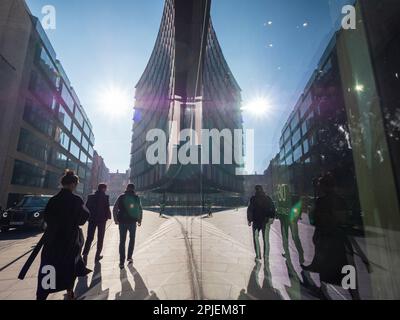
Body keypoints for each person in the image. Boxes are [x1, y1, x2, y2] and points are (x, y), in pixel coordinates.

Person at [19, 171, 91, 300]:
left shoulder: (53, 200)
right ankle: (70, 292)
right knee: (69, 266)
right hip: (69, 239)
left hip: (52, 240)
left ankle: (42, 296)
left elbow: (46, 217)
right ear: (73, 184)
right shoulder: (76, 200)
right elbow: (83, 218)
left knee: (49, 267)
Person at [303, 173, 358, 298]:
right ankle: (355, 295)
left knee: (326, 268)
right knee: (345, 271)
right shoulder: (340, 200)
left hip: (326, 241)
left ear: (324, 186)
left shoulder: (321, 201)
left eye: (320, 185)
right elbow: (343, 222)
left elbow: (314, 221)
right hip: (338, 241)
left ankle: (323, 290)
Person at [113, 184, 143, 269]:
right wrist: (140, 219)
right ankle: (129, 257)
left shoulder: (121, 197)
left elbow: (115, 209)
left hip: (122, 222)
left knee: (122, 241)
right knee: (132, 240)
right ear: (133, 189)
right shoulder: (136, 197)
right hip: (132, 222)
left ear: (126, 188)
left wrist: (115, 219)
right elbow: (140, 209)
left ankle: (121, 262)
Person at [82, 183, 112, 265]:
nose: (106, 190)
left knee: (89, 237)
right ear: (103, 189)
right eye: (105, 189)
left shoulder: (90, 196)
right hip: (102, 220)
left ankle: (85, 254)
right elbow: (107, 207)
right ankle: (97, 255)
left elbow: (86, 207)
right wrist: (108, 216)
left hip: (92, 219)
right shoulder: (105, 197)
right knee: (100, 237)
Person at [247, 185, 276, 262]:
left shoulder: (253, 199)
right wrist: (271, 217)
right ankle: (265, 255)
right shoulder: (267, 198)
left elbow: (250, 209)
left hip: (257, 221)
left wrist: (249, 220)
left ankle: (258, 255)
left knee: (256, 238)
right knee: (265, 239)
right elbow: (273, 208)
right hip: (264, 221)